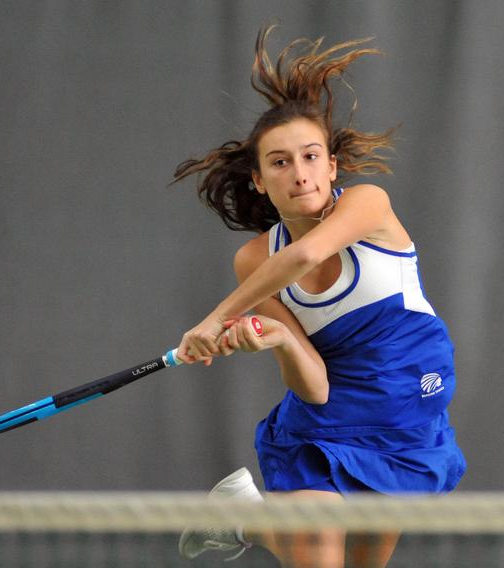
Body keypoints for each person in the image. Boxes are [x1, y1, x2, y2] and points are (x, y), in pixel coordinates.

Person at [173, 26, 466, 567]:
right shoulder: (255, 262)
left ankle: (242, 520)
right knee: (318, 554)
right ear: (259, 180)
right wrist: (282, 339)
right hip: (327, 422)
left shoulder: (369, 205)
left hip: (408, 416)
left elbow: (307, 257)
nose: (300, 173)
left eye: (311, 157)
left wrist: (217, 317)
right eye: (280, 162)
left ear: (332, 166)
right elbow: (317, 387)